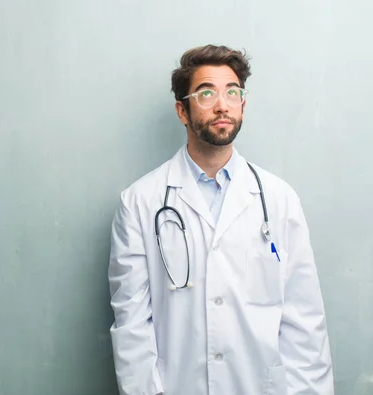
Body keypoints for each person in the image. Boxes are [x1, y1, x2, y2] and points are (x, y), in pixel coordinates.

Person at [107, 44, 334, 395]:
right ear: (182, 111)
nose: (222, 104)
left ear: (243, 105)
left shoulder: (279, 200)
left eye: (232, 92)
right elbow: (132, 327)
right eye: (206, 93)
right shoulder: (139, 203)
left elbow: (305, 322)